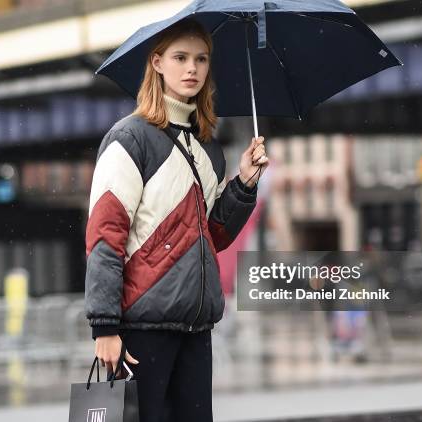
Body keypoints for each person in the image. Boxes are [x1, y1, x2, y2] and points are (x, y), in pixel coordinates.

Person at [84, 18, 269, 422]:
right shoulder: (129, 140)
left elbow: (211, 236)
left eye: (201, 59)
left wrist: (244, 184)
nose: (192, 69)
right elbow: (105, 237)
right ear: (157, 63)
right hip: (142, 330)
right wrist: (104, 327)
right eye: (180, 57)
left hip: (195, 330)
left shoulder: (209, 148)